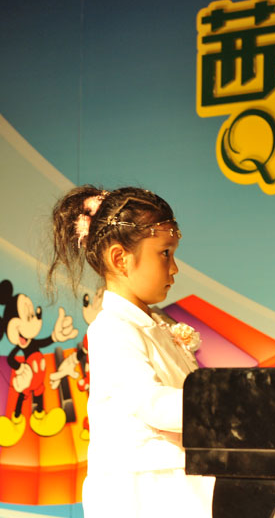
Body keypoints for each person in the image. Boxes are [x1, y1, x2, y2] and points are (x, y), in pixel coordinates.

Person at [47, 185, 214, 518]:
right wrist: (225, 405)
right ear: (120, 259)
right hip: (142, 495)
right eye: (165, 253)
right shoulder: (112, 328)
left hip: (174, 485)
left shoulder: (157, 326)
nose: (174, 268)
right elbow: (152, 404)